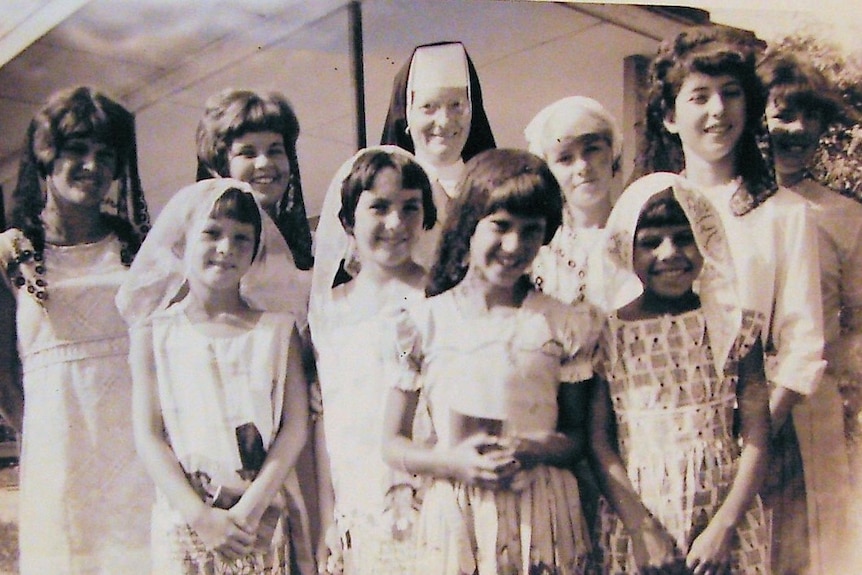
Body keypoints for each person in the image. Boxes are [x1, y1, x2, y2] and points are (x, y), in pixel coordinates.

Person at [634, 25, 826, 574]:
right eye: (699, 97)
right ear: (670, 116)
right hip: (661, 443)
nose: (718, 111)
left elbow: (803, 345)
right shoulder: (648, 210)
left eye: (731, 93)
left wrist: (751, 437)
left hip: (757, 451)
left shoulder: (783, 214)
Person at [381, 148, 598, 574]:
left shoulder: (564, 323)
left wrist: (534, 447)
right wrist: (452, 462)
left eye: (531, 230)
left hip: (541, 511)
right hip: (459, 512)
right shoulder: (417, 324)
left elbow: (576, 436)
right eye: (500, 226)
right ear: (469, 226)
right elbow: (392, 442)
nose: (514, 245)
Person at [118, 178, 313, 574]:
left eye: (242, 238)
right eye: (212, 233)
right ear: (182, 241)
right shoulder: (155, 333)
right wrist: (199, 517)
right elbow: (149, 433)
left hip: (258, 520)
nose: (227, 248)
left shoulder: (277, 330)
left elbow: (294, 427)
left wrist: (251, 508)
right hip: (186, 523)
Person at [0, 86, 152, 573]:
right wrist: (38, 436)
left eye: (105, 154)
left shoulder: (137, 248)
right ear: (47, 156)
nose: (92, 166)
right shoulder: (13, 254)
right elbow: (4, 371)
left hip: (137, 454)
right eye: (76, 151)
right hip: (58, 457)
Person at [589, 173, 771, 573]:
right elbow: (599, 441)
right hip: (639, 516)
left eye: (683, 237)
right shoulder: (606, 334)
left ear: (706, 240)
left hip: (724, 517)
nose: (669, 253)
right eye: (651, 242)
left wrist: (724, 526)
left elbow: (758, 434)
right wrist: (641, 528)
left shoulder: (735, 326)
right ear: (626, 250)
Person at [309, 146, 436, 574]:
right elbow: (326, 424)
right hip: (357, 500)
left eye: (410, 208)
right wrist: (328, 520)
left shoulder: (441, 298)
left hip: (430, 495)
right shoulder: (328, 310)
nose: (396, 223)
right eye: (379, 207)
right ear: (348, 221)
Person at [760, 51, 862, 572]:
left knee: (807, 546)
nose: (798, 129)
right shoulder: (726, 205)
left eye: (810, 115)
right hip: (740, 399)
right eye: (782, 114)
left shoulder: (844, 216)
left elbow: (857, 323)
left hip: (812, 405)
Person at [379, 41, 496, 268]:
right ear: (407, 115)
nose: (444, 121)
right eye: (428, 107)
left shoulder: (498, 190)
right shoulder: (383, 193)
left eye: (456, 105)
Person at [195, 88, 314, 271]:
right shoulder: (205, 252)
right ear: (224, 165)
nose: (264, 163)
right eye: (247, 153)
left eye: (275, 151)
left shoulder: (314, 250)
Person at [524, 95, 622, 306]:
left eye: (592, 150)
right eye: (565, 158)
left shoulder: (637, 235)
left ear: (612, 153)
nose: (583, 167)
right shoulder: (538, 249)